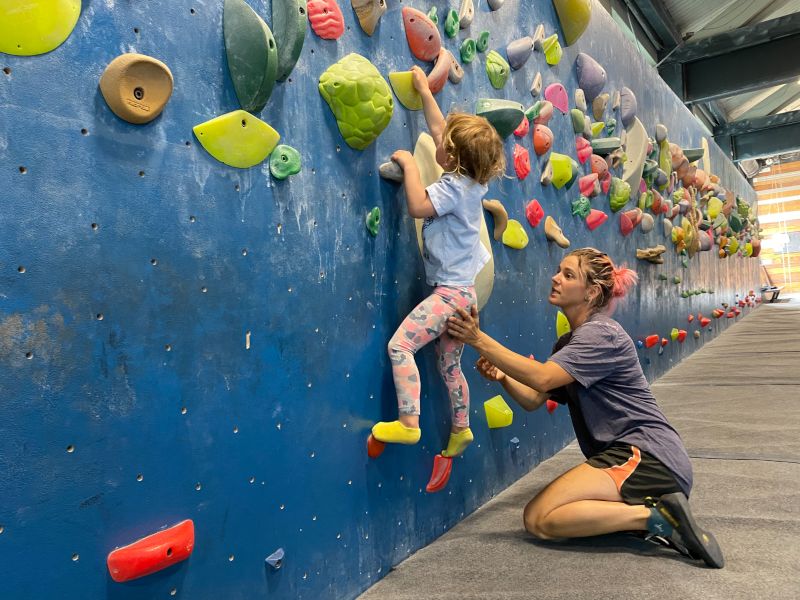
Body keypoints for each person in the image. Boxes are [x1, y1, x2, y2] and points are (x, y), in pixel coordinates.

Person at [446, 247, 724, 568]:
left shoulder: (601, 334)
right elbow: (535, 398)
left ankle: (657, 518)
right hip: (633, 457)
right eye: (558, 271)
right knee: (542, 520)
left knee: (539, 518)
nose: (555, 278)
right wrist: (503, 378)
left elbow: (542, 376)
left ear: (591, 292)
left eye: (568, 275)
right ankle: (649, 515)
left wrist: (477, 339)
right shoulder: (570, 342)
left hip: (647, 456)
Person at [370, 66, 505, 459]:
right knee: (449, 368)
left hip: (448, 297)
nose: (436, 143)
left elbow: (417, 205)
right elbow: (439, 128)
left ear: (453, 159)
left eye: (443, 145)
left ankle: (408, 424)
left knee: (400, 347)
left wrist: (411, 167)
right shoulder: (473, 180)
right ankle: (462, 429)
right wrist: (423, 91)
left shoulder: (452, 187)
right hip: (465, 298)